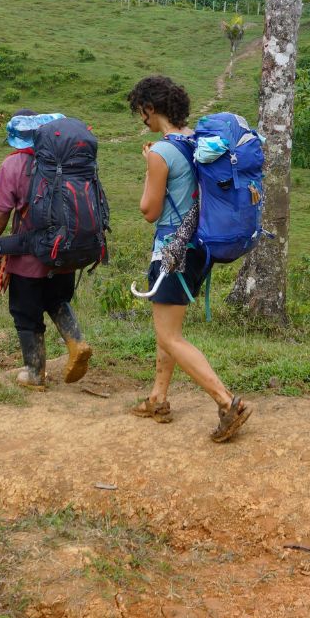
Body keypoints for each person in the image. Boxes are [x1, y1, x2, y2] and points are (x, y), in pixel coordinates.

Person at [126, 76, 253, 443]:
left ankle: (228, 402)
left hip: (171, 253)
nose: (142, 121)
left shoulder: (162, 152)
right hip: (199, 249)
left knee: (170, 335)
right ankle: (157, 399)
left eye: (142, 113)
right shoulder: (196, 140)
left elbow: (149, 211)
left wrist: (150, 163)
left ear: (151, 109)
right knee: (165, 330)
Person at [0, 109, 94, 389]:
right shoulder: (65, 160)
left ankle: (34, 372)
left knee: (25, 314)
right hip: (63, 253)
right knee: (57, 300)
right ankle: (76, 342)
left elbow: (1, 213)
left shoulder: (13, 165)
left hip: (28, 258)